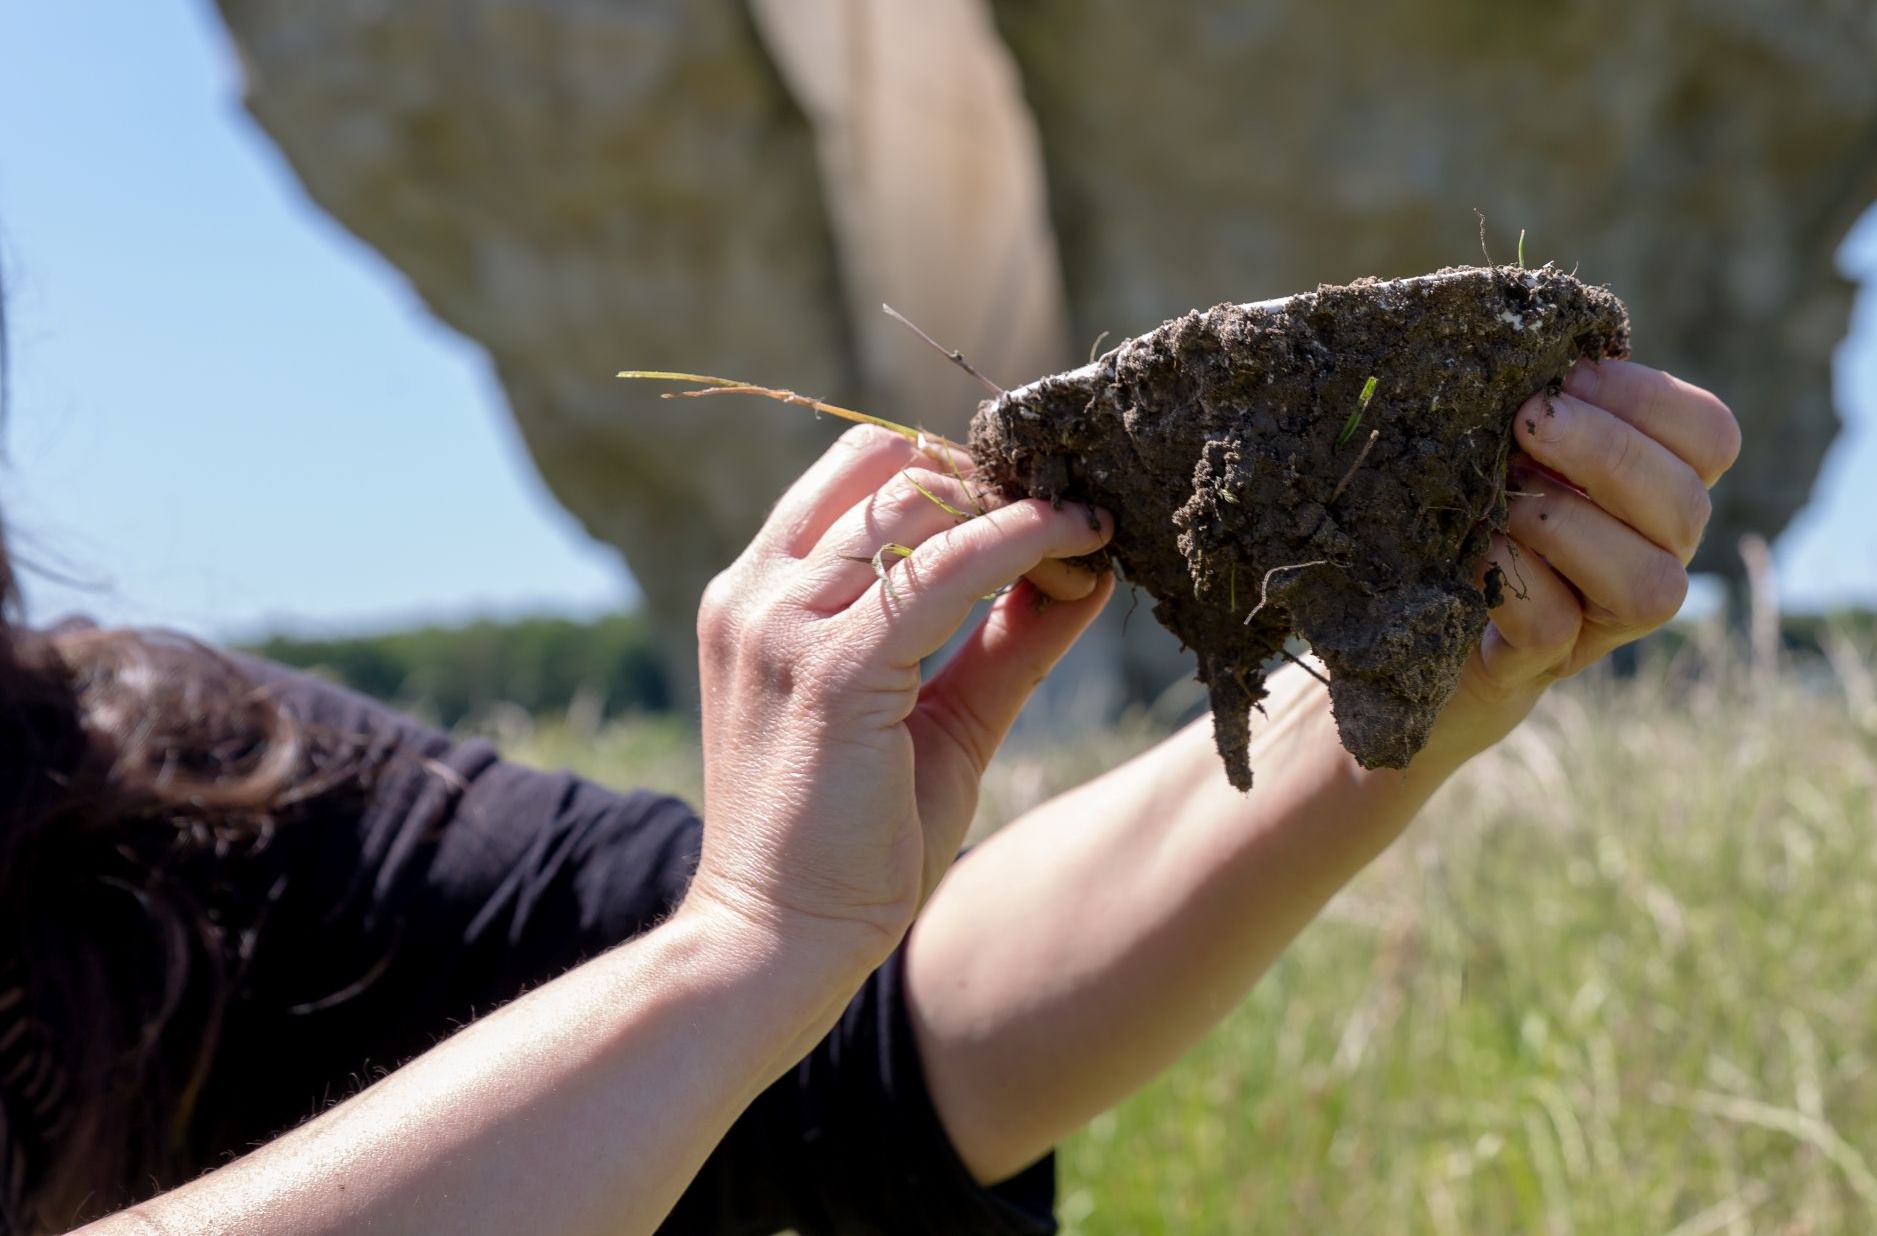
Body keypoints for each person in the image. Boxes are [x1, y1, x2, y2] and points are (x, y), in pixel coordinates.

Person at [0, 342, 1736, 1236]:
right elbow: (727, 990)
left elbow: (877, 1049)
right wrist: (733, 955)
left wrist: (1414, 683)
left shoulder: (164, 787)